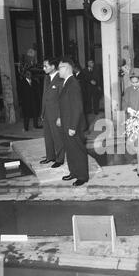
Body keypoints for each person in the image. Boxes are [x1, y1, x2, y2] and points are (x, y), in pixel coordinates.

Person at [58, 58, 89, 187]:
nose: (58, 70)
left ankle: (82, 176)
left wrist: (72, 126)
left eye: (60, 67)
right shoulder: (66, 82)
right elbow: (66, 105)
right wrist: (61, 118)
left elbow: (77, 107)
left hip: (73, 125)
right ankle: (74, 172)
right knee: (70, 150)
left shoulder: (73, 83)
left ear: (67, 68)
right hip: (66, 123)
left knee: (78, 150)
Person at [40, 57, 65, 168]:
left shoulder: (60, 79)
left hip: (55, 114)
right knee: (48, 136)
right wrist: (42, 112)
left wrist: (60, 116)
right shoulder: (46, 78)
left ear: (53, 66)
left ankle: (59, 159)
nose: (43, 68)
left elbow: (62, 100)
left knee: (57, 137)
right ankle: (50, 156)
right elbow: (44, 97)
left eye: (46, 66)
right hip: (46, 113)